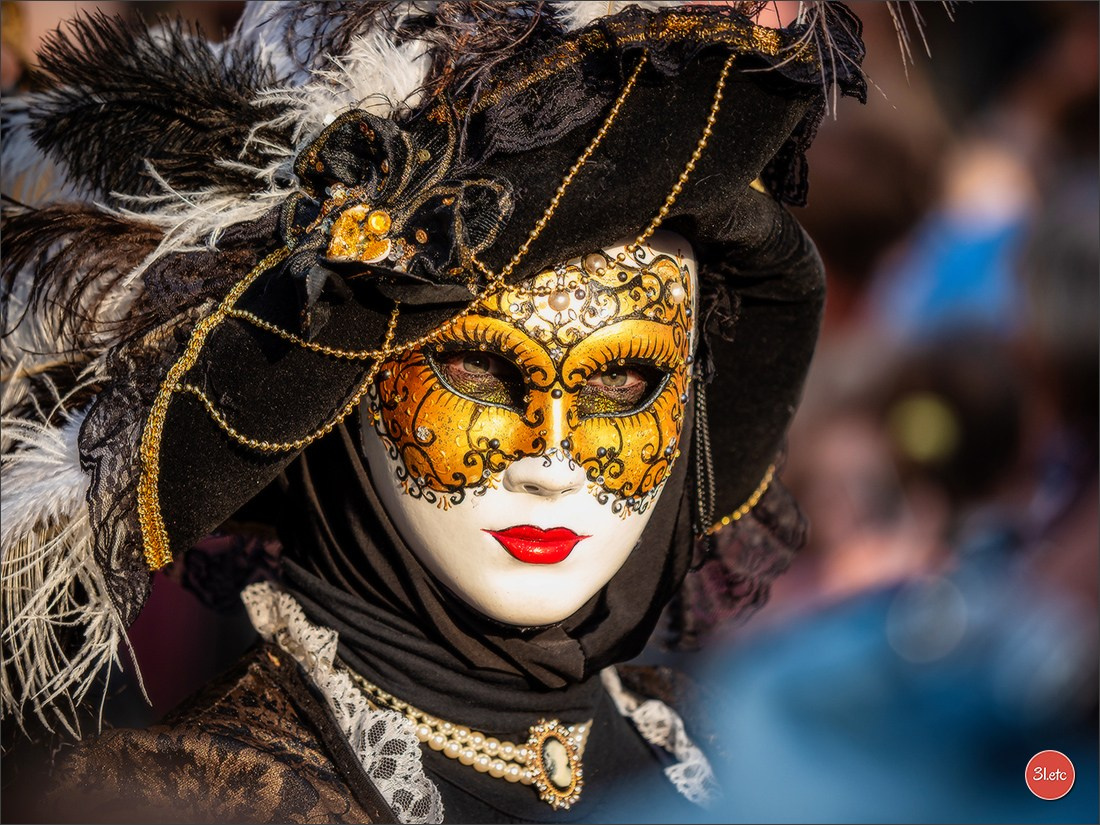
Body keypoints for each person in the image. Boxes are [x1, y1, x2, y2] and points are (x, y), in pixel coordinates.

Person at [0, 2, 866, 822]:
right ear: (346, 390)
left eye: (619, 385)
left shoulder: (757, 746)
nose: (550, 462)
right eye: (479, 372)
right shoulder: (196, 799)